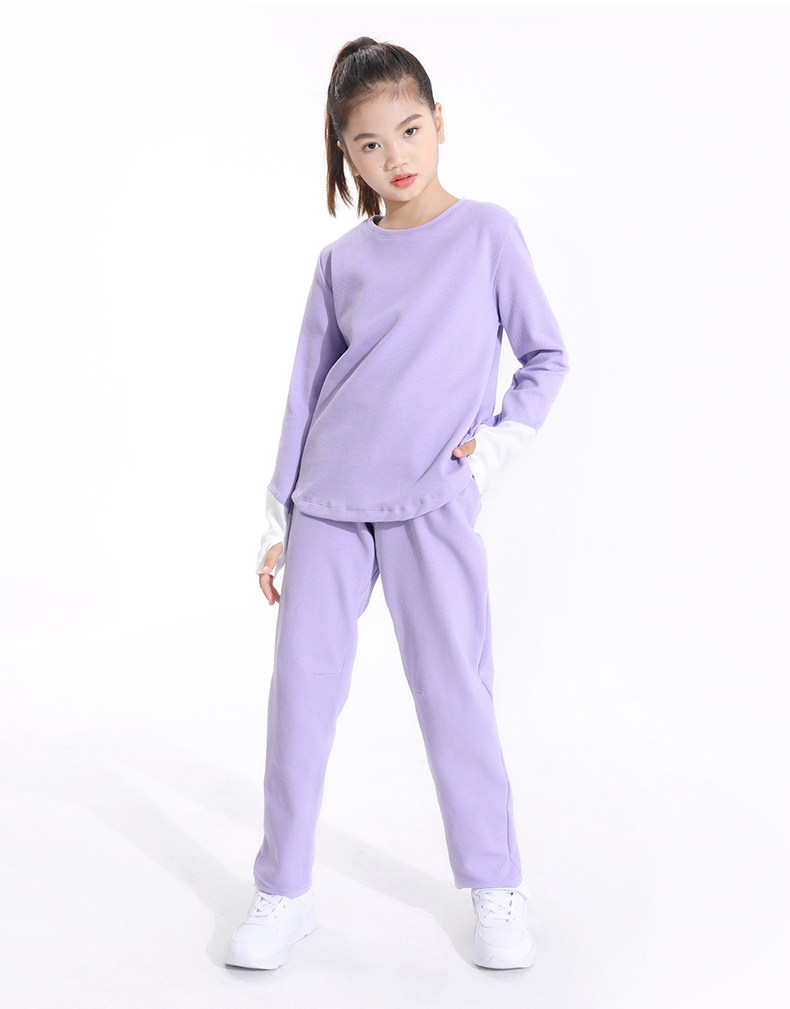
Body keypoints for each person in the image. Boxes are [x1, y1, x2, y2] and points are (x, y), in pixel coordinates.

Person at [225, 36, 569, 972]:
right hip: (329, 502)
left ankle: (495, 882)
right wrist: (279, 517)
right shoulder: (341, 261)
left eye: (409, 130)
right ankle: (283, 890)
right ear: (345, 153)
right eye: (369, 144)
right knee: (301, 696)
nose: (394, 157)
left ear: (440, 122)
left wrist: (490, 451)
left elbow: (546, 356)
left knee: (455, 690)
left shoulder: (489, 234)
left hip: (432, 501)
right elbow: (306, 392)